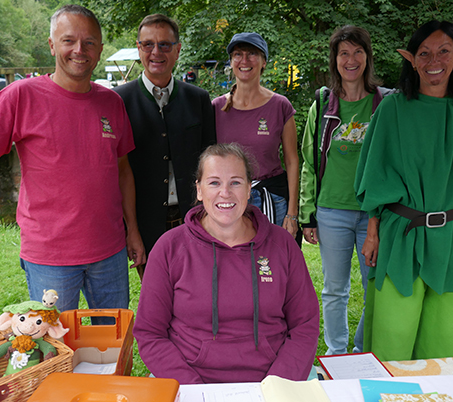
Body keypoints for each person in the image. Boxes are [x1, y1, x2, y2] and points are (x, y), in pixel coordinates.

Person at [0, 5, 144, 315]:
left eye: (89, 42)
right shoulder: (21, 96)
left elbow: (123, 172)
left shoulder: (112, 102)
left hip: (109, 252)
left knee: (112, 344)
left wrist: (132, 230)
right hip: (50, 257)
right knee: (54, 347)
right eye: (69, 40)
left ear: (99, 48)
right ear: (52, 44)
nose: (79, 50)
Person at [354, 20, 453, 361]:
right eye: (424, 53)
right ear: (411, 59)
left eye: (443, 51)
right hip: (401, 236)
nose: (433, 60)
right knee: (391, 343)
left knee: (446, 347)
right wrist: (372, 231)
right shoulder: (393, 108)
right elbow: (375, 174)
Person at [133, 143, 319, 384]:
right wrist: (194, 391)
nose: (225, 193)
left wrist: (278, 384)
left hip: (272, 382)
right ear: (199, 190)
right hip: (190, 381)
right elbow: (150, 333)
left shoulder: (281, 244)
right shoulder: (170, 247)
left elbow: (305, 325)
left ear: (249, 188)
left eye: (235, 182)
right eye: (214, 183)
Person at [299, 25, 395, 355]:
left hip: (375, 214)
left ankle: (362, 349)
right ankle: (337, 353)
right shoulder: (324, 103)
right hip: (332, 211)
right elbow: (309, 161)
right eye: (343, 53)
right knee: (334, 288)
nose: (350, 59)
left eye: (357, 52)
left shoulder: (386, 103)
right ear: (335, 60)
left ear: (367, 57)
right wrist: (306, 215)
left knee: (375, 287)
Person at [114, 14, 215, 274]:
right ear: (138, 48)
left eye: (165, 45)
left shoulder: (199, 99)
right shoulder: (118, 101)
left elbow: (210, 164)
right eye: (148, 44)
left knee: (196, 294)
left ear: (177, 50)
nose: (156, 52)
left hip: (193, 219)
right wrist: (131, 230)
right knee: (156, 297)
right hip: (145, 224)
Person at [213, 33, 299, 238]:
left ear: (264, 62)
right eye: (238, 54)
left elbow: (292, 161)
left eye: (252, 54)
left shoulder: (280, 106)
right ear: (231, 62)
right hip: (228, 200)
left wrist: (292, 213)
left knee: (271, 265)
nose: (244, 60)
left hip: (271, 200)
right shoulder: (215, 108)